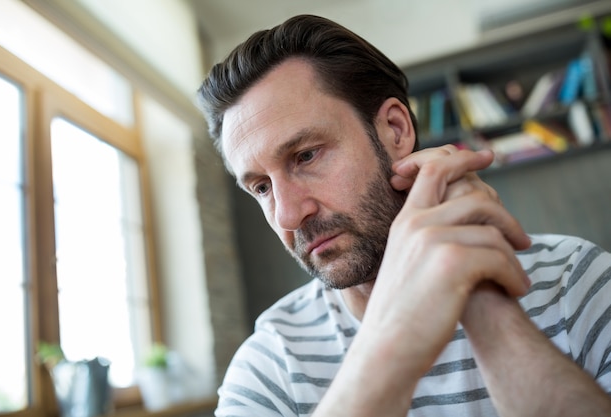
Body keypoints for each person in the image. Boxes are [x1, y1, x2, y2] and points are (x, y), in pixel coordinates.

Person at [196, 14, 611, 416]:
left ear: (395, 130)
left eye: (306, 155)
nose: (287, 215)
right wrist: (391, 341)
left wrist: (482, 296)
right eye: (261, 188)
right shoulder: (271, 365)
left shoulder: (575, 281)